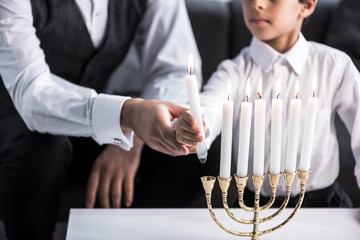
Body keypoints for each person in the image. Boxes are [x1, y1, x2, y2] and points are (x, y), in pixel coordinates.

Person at [0, 0, 202, 239]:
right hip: (14, 122)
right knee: (43, 148)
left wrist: (134, 136)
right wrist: (127, 115)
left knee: (197, 152)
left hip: (89, 129)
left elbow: (175, 70)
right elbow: (32, 91)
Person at [175, 0, 360, 208]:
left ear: (306, 5)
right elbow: (210, 108)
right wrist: (195, 126)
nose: (257, 4)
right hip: (253, 207)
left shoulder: (334, 65)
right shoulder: (234, 71)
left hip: (322, 204)